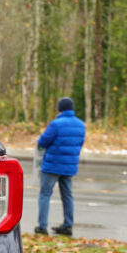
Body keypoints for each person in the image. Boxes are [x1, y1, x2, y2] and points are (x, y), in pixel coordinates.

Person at [34, 96, 86, 237]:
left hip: (52, 165)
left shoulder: (56, 124)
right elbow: (79, 144)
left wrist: (39, 139)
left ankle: (42, 226)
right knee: (67, 196)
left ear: (60, 109)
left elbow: (43, 142)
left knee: (45, 194)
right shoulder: (81, 125)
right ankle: (68, 225)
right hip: (69, 167)